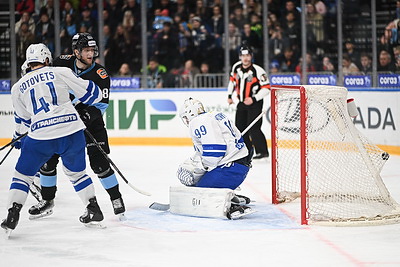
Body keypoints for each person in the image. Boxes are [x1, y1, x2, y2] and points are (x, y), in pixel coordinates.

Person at [1, 43, 104, 234]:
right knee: (77, 175)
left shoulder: (17, 88)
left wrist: (18, 139)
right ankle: (93, 208)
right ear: (47, 59)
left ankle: (13, 212)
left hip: (41, 137)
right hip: (72, 132)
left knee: (23, 176)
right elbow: (94, 95)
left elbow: (23, 123)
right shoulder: (60, 72)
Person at [29, 33, 126, 220]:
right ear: (76, 52)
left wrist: (85, 115)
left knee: (99, 165)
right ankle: (47, 201)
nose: (91, 54)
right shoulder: (61, 63)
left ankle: (116, 197)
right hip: (64, 123)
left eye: (92, 50)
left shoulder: (100, 74)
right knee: (48, 161)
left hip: (91, 125)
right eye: (86, 50)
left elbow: (101, 105)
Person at [177, 98, 253, 217]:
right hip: (238, 168)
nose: (186, 121)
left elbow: (215, 153)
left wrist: (199, 168)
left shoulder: (198, 121)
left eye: (185, 117)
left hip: (228, 170)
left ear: (190, 113)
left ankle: (229, 205)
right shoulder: (214, 115)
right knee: (201, 186)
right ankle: (230, 196)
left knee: (198, 194)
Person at [227, 44, 270, 159]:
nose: (245, 58)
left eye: (247, 55)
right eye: (243, 55)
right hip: (242, 103)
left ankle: (263, 152)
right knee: (240, 128)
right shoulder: (236, 67)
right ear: (240, 57)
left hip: (255, 104)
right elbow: (232, 82)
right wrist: (230, 96)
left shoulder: (258, 70)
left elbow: (266, 88)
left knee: (254, 128)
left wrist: (253, 99)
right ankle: (246, 151)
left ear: (251, 56)